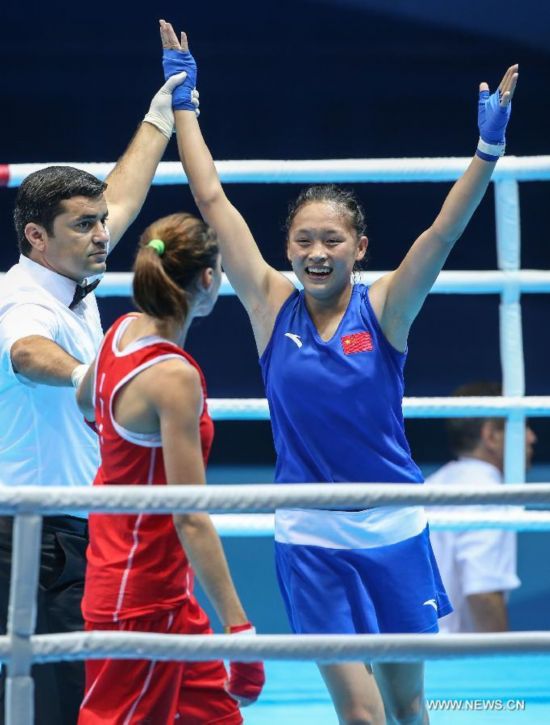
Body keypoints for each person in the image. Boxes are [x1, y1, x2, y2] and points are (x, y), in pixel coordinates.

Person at [161, 19, 518, 724]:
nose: (316, 251)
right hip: (308, 535)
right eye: (303, 239)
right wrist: (184, 104)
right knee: (359, 715)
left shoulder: (386, 306)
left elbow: (441, 232)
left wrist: (487, 152)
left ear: (358, 246)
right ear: (287, 248)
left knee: (406, 704)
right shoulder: (269, 302)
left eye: (332, 239)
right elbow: (213, 201)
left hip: (393, 525)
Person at [0, 73, 192, 724]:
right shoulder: (24, 300)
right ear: (35, 237)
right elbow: (27, 354)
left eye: (100, 223)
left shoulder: (70, 277)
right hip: (34, 541)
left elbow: (122, 195)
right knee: (53, 707)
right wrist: (94, 377)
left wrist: (159, 118)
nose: (103, 235)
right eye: (85, 226)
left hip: (72, 532)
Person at [75, 212, 265, 724]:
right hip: (141, 596)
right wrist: (239, 629)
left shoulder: (119, 334)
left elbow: (85, 400)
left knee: (218, 719)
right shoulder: (173, 377)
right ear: (208, 278)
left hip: (160, 589)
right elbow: (190, 515)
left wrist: (126, 455)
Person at [427, 382, 535, 633]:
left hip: (415, 657)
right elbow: (483, 594)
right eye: (523, 426)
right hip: (453, 664)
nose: (532, 437)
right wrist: (499, 666)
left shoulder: (434, 484)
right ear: (491, 436)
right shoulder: (488, 493)